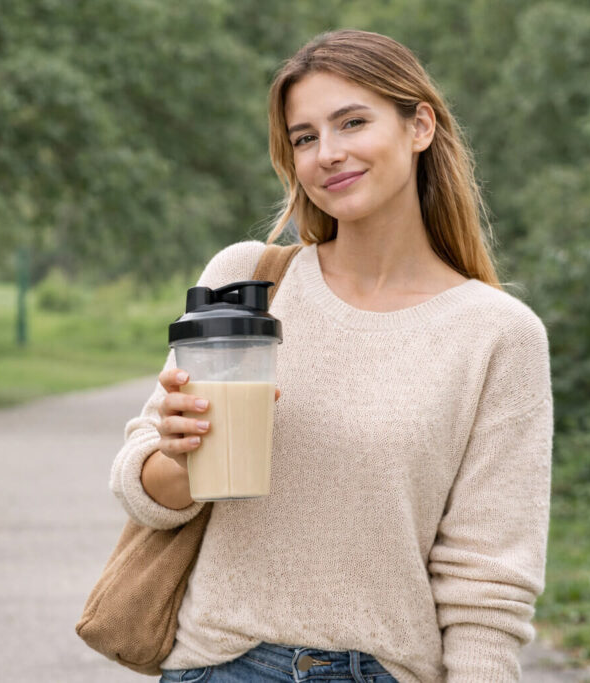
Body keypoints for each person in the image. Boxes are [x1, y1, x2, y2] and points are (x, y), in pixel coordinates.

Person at [109, 29, 552, 683]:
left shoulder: (497, 333)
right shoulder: (248, 281)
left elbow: (488, 581)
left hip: (385, 670)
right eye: (305, 137)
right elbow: (140, 488)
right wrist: (177, 454)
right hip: (221, 663)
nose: (329, 154)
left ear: (419, 125)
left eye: (352, 123)